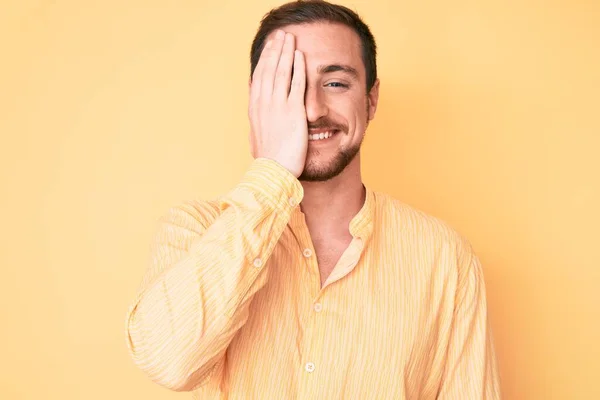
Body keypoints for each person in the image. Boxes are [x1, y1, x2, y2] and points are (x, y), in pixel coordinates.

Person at [124, 0, 502, 398]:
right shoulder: (194, 230)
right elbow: (168, 364)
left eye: (335, 83)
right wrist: (272, 172)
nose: (311, 108)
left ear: (371, 100)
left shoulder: (445, 258)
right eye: (289, 85)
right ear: (258, 101)